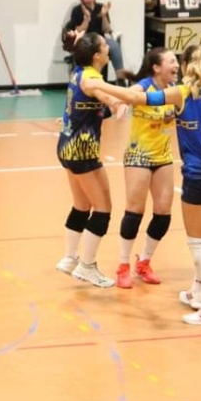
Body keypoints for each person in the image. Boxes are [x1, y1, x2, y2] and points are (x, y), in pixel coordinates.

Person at [93, 45, 201, 326]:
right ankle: (198, 293)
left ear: (188, 65)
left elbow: (135, 97)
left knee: (199, 244)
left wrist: (100, 85)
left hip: (199, 176)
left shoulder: (183, 93)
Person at [55, 32, 128, 288]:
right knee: (103, 208)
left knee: (81, 205)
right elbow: (107, 97)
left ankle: (69, 259)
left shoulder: (79, 71)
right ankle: (86, 267)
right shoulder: (93, 79)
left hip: (67, 145)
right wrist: (120, 103)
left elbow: (93, 107)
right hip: (83, 149)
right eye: (105, 46)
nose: (109, 48)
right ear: (97, 55)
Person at [114, 48, 178, 289]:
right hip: (138, 155)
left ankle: (144, 261)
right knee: (135, 211)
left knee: (163, 213)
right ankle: (123, 266)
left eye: (177, 61)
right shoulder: (143, 87)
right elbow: (127, 95)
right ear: (156, 67)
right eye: (171, 61)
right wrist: (120, 103)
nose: (176, 65)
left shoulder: (174, 90)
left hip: (163, 156)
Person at [64, 0, 128, 84]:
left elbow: (106, 29)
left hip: (100, 39)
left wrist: (104, 15)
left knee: (114, 46)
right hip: (85, 41)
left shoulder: (101, 7)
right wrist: (86, 19)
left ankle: (121, 79)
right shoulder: (77, 10)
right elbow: (78, 30)